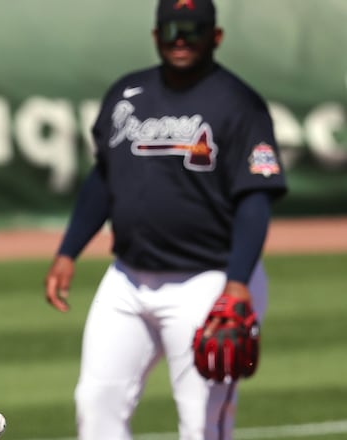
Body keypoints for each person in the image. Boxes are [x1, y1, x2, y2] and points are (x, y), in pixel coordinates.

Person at [43, 1, 287, 439]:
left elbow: (255, 199)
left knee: (202, 424)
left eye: (193, 31)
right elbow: (103, 178)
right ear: (156, 35)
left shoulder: (239, 104)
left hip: (208, 281)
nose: (180, 39)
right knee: (96, 404)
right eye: (172, 29)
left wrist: (237, 283)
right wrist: (68, 251)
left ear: (215, 37)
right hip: (128, 281)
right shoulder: (126, 94)